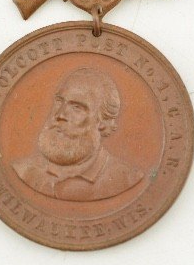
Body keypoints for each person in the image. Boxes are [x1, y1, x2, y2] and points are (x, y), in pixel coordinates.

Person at [12, 67, 144, 201]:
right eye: (59, 102)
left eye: (77, 107)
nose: (60, 114)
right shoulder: (23, 170)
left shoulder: (127, 179)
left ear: (103, 121)